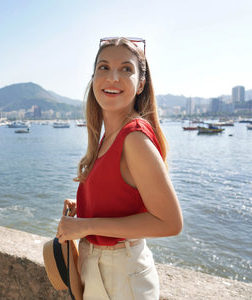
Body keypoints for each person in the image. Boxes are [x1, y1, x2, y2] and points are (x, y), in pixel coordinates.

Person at [56, 37, 183, 299]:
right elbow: (126, 198)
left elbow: (170, 223)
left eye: (126, 69)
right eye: (104, 67)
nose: (113, 77)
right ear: (93, 80)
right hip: (107, 272)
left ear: (141, 85)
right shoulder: (109, 136)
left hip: (120, 278)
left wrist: (85, 226)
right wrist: (88, 208)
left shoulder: (134, 138)